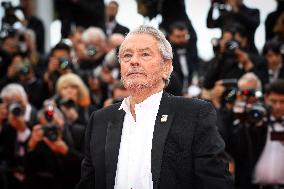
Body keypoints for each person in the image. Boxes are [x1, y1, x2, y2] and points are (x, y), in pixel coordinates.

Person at [76, 25, 233, 189]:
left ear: (166, 67)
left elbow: (216, 182)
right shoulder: (100, 120)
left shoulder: (194, 115)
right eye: (127, 55)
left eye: (145, 54)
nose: (134, 61)